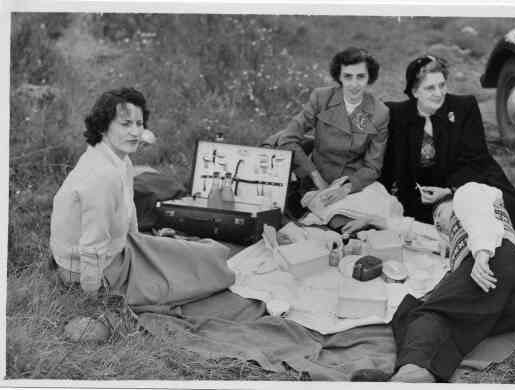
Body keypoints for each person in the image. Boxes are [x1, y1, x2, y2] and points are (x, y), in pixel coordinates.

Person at [49, 87, 234, 306]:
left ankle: (213, 261)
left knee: (201, 254)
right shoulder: (102, 176)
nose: (136, 132)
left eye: (139, 124)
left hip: (118, 251)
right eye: (125, 124)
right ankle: (214, 270)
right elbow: (92, 247)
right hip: (92, 272)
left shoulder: (119, 160)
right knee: (189, 278)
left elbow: (130, 214)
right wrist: (91, 298)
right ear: (103, 127)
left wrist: (142, 248)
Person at [345, 182, 515, 382]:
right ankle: (411, 371)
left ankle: (410, 375)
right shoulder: (455, 234)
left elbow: (478, 215)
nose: (436, 221)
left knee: (429, 315)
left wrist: (482, 254)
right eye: (434, 219)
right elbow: (414, 229)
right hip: (514, 306)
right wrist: (371, 219)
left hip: (494, 263)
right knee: (410, 313)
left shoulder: (468, 194)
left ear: (453, 202)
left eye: (439, 213)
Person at [380, 55, 515, 233]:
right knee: (443, 228)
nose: (438, 93)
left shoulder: (464, 107)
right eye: (430, 88)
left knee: (499, 213)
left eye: (442, 85)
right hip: (420, 193)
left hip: (467, 179)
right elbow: (389, 163)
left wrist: (451, 191)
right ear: (415, 92)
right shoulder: (396, 115)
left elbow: (476, 158)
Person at [268, 47, 389, 217]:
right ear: (338, 77)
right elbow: (288, 139)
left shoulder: (380, 112)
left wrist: (346, 188)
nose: (354, 84)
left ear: (370, 78)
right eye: (347, 76)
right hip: (315, 180)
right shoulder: (321, 98)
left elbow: (373, 167)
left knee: (365, 219)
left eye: (361, 76)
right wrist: (315, 177)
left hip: (352, 185)